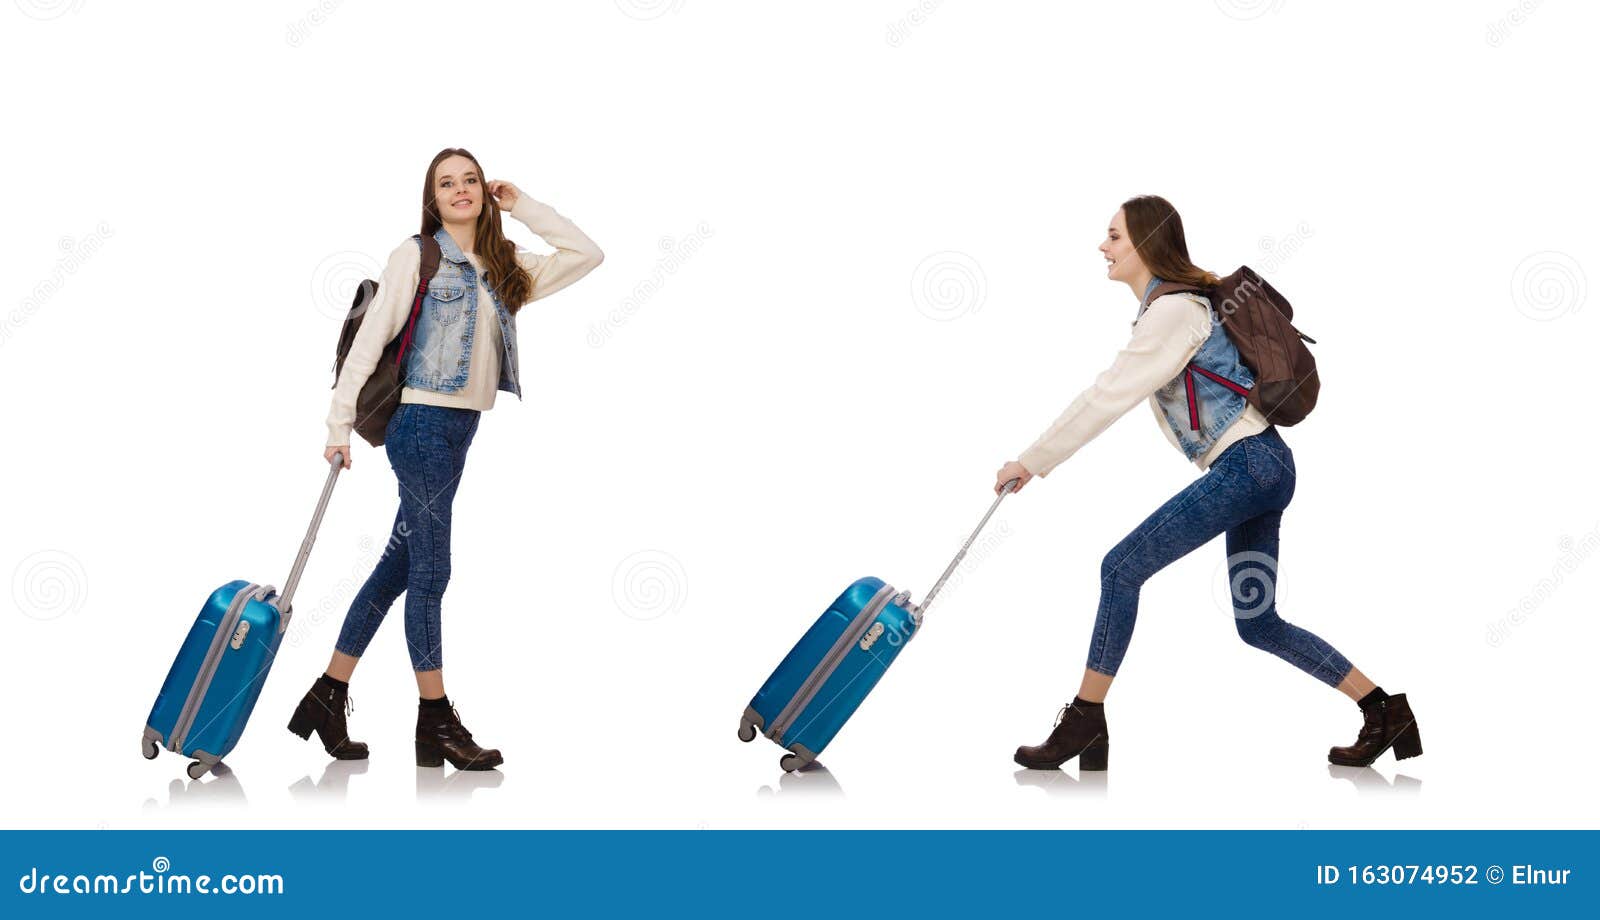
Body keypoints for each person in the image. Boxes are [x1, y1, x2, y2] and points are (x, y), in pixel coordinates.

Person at [996, 195, 1421, 771]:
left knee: (1120, 570)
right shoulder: (1177, 308)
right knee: (1259, 624)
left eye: (1115, 236)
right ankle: (1383, 710)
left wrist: (1031, 460)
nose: (1103, 246)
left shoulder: (1172, 313)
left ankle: (1085, 721)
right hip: (1264, 466)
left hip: (1247, 466)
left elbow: (1107, 395)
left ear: (1146, 245)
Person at [286, 147, 603, 771]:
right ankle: (435, 721)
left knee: (399, 569)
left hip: (460, 431)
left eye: (472, 181)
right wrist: (339, 424)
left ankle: (328, 694)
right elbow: (372, 336)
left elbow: (587, 255)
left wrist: (526, 207)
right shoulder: (417, 255)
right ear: (432, 199)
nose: (461, 190)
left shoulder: (505, 264)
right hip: (420, 428)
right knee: (433, 574)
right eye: (446, 183)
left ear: (486, 190)